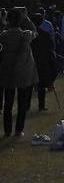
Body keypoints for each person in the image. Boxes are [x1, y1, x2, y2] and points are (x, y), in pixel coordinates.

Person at [0, 7, 38, 137]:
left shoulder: (3, 36)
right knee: (22, 103)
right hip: (23, 71)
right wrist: (25, 17)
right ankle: (18, 130)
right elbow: (35, 30)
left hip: (7, 71)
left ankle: (7, 130)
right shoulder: (26, 35)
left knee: (8, 104)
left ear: (7, 20)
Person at [31, 13, 58, 111]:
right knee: (41, 85)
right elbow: (50, 49)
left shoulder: (28, 34)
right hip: (42, 62)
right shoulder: (45, 35)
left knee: (28, 86)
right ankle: (41, 106)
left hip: (31, 61)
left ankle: (26, 106)